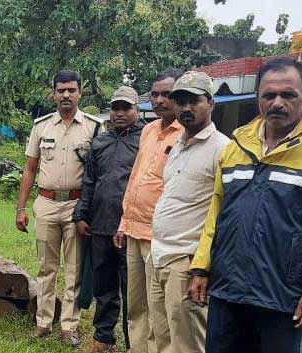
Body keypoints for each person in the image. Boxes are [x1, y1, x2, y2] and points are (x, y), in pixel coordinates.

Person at [189, 57, 302, 353]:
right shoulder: (236, 146)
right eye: (269, 95)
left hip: (282, 296)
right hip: (228, 291)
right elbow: (216, 211)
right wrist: (201, 267)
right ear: (258, 98)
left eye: (288, 95)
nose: (278, 102)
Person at [17, 69, 102, 347]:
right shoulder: (41, 126)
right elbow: (29, 169)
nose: (66, 95)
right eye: (61, 90)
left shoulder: (93, 127)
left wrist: (90, 210)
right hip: (46, 203)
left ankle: (69, 325)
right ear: (53, 93)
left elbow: (97, 173)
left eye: (71, 90)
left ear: (80, 93)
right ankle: (43, 321)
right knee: (46, 267)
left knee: (74, 268)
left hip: (76, 206)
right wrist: (21, 208)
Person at [149, 70, 229, 353]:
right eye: (180, 101)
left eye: (193, 101)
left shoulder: (223, 149)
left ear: (211, 103)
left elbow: (223, 214)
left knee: (187, 345)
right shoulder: (177, 145)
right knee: (161, 338)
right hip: (158, 256)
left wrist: (202, 268)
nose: (185, 108)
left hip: (186, 261)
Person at [115, 68, 184, 353]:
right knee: (136, 305)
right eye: (155, 94)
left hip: (160, 237)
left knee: (160, 311)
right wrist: (123, 221)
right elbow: (136, 178)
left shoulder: (185, 134)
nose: (159, 100)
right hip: (133, 230)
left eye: (166, 94)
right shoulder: (148, 130)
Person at [73, 86, 145, 352]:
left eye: (126, 107)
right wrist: (81, 214)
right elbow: (89, 180)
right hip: (100, 226)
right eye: (115, 108)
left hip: (132, 228)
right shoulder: (100, 141)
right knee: (104, 286)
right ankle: (103, 337)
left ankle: (133, 342)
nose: (119, 113)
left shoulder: (145, 140)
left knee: (133, 290)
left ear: (137, 110)